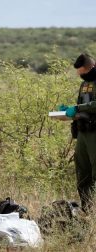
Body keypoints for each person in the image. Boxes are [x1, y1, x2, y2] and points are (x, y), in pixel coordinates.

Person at [61, 53, 96, 212]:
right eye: (79, 73)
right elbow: (82, 104)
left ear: (91, 68)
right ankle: (87, 211)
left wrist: (77, 109)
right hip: (83, 133)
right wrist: (70, 113)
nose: (81, 76)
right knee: (83, 174)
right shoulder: (85, 84)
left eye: (83, 72)